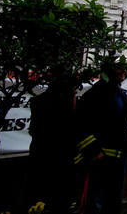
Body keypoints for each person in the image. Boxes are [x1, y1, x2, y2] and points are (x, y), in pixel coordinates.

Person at [74, 54, 127, 214]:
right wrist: (93, 151)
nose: (122, 72)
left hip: (117, 158)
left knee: (113, 203)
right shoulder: (96, 92)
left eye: (125, 69)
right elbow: (80, 124)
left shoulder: (120, 94)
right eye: (119, 68)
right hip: (98, 159)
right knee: (94, 203)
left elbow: (119, 124)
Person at [27, 79, 80, 213]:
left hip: (40, 155)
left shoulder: (37, 102)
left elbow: (33, 130)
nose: (74, 93)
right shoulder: (65, 105)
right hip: (59, 158)